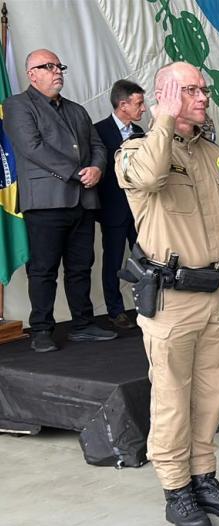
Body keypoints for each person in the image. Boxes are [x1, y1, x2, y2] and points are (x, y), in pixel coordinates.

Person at [116, 62, 219, 526]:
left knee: (212, 392)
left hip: (215, 294)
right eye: (188, 90)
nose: (201, 97)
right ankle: (176, 489)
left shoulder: (215, 154)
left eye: (202, 89)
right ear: (164, 94)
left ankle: (203, 477)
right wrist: (163, 119)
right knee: (173, 396)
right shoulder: (136, 149)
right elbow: (149, 178)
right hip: (172, 298)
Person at [5, 49, 116, 353]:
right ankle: (41, 329)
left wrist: (98, 168)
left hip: (83, 201)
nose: (57, 71)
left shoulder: (77, 109)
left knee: (81, 267)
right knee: (43, 270)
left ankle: (83, 325)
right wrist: (78, 172)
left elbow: (97, 146)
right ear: (32, 74)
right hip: (45, 202)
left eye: (59, 66)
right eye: (48, 66)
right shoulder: (17, 106)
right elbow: (32, 147)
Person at [94, 79, 145, 330]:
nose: (143, 108)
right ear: (123, 105)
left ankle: (146, 306)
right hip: (113, 209)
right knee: (113, 261)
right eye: (139, 103)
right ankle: (115, 311)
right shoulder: (98, 131)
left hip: (140, 211)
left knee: (145, 260)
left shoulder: (141, 133)